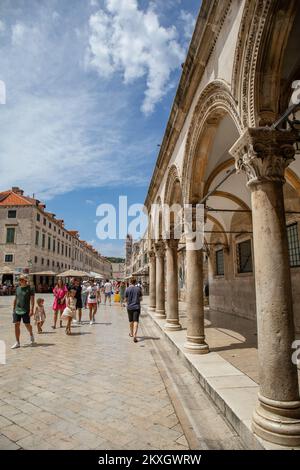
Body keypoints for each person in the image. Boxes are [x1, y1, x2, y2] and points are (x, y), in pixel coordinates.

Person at [11, 275, 35, 349]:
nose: (20, 281)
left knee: (27, 325)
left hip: (25, 310)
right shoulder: (17, 288)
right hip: (17, 309)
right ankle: (17, 342)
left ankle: (31, 334)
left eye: (21, 279)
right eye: (19, 279)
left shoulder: (30, 288)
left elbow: (32, 300)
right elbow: (16, 298)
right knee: (16, 324)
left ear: (25, 280)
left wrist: (31, 309)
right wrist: (13, 309)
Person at [125, 278, 143, 343]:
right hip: (136, 307)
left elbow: (126, 299)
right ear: (135, 282)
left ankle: (131, 333)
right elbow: (141, 299)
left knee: (131, 321)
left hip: (129, 307)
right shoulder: (138, 289)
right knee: (136, 321)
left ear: (130, 282)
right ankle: (135, 335)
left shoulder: (127, 289)